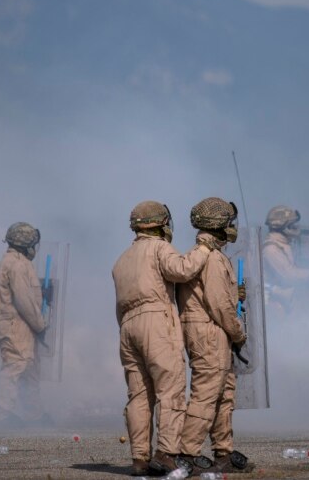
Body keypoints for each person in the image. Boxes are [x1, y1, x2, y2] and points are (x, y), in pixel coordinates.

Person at [112, 201, 210, 476]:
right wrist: (204, 247)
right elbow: (182, 270)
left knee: (139, 395)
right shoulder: (158, 248)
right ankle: (166, 453)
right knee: (171, 390)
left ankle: (139, 459)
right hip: (156, 321)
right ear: (161, 224)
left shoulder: (121, 260)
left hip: (127, 328)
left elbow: (119, 307)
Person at [178, 197, 252, 474]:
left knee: (224, 395)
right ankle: (187, 453)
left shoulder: (210, 255)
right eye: (229, 223)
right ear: (220, 225)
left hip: (211, 333)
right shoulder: (210, 258)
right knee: (206, 395)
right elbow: (220, 306)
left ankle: (223, 452)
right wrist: (238, 332)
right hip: (211, 333)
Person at [0, 222, 48, 427]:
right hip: (17, 323)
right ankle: (2, 414)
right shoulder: (17, 264)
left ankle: (34, 414)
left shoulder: (16, 262)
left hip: (20, 324)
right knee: (16, 365)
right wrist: (41, 325)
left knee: (29, 368)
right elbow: (24, 301)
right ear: (26, 245)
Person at [260, 205, 309, 312]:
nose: (295, 227)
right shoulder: (271, 249)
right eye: (291, 225)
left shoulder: (283, 244)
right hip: (276, 305)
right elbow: (288, 276)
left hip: (285, 302)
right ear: (282, 226)